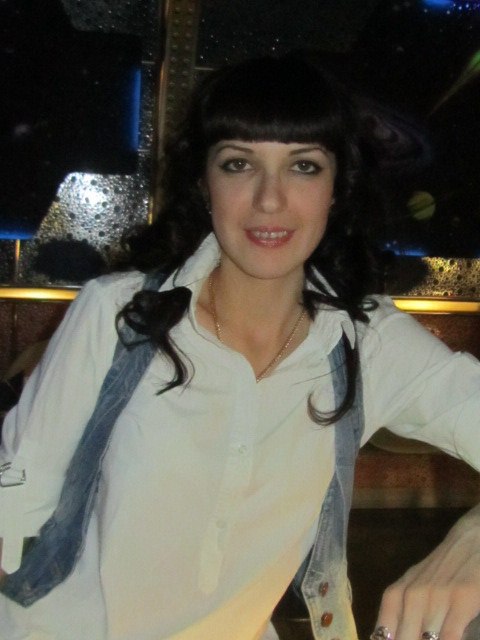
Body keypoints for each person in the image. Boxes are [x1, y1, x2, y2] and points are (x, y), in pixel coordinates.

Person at [1, 53, 480, 640]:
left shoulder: (367, 341)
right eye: (238, 164)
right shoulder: (120, 314)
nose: (270, 199)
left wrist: (473, 538)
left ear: (336, 188)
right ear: (205, 184)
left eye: (303, 166)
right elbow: (11, 503)